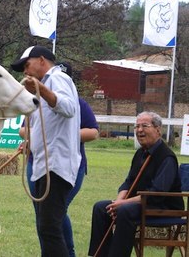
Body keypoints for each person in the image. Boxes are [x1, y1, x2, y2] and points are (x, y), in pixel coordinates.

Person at [19, 62, 99, 257]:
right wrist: (36, 138)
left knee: (54, 216)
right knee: (44, 218)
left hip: (62, 164)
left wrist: (64, 135)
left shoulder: (77, 102)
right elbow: (24, 128)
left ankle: (68, 253)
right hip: (37, 163)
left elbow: (93, 132)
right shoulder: (36, 100)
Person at [10, 45, 81, 257]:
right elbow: (47, 124)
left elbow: (68, 108)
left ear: (42, 60)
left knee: (49, 227)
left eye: (27, 65)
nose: (25, 71)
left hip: (56, 165)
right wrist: (31, 142)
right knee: (47, 227)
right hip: (45, 164)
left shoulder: (57, 78)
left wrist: (43, 90)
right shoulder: (46, 84)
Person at [88, 111, 183, 257]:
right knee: (102, 208)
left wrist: (123, 204)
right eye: (136, 126)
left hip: (163, 206)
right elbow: (128, 182)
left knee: (126, 211)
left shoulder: (167, 157)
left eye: (144, 126)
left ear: (158, 130)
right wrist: (119, 201)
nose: (139, 130)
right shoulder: (140, 153)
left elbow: (156, 194)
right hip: (140, 204)